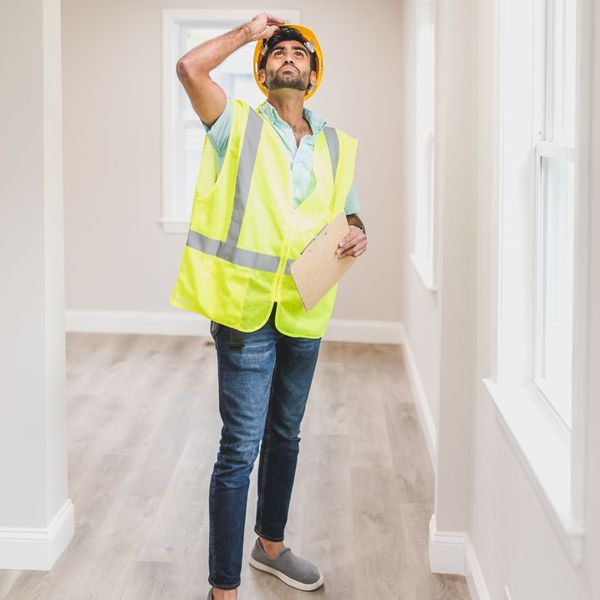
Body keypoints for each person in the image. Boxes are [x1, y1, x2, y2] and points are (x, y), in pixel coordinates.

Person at [170, 12, 368, 600]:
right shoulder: (234, 125)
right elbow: (188, 67)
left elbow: (348, 214)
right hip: (245, 310)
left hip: (306, 307)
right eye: (278, 51)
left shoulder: (337, 142)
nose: (289, 57)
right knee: (240, 447)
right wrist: (249, 31)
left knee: (286, 433)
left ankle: (271, 546)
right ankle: (223, 588)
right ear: (262, 69)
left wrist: (359, 233)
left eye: (299, 53)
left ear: (314, 73)